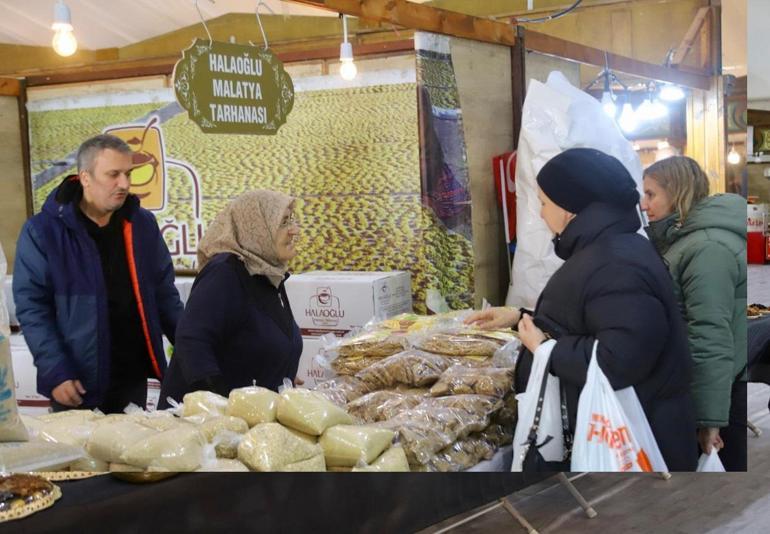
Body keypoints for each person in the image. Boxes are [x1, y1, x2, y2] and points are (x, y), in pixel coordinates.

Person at [467, 148, 697, 471]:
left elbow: (620, 358)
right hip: (628, 429)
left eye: (545, 203)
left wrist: (546, 349)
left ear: (570, 209)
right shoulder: (609, 249)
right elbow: (588, 318)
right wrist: (519, 317)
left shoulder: (616, 262)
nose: (542, 214)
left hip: (634, 441)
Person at [13, 134, 183, 413]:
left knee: (128, 455)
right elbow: (33, 308)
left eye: (128, 174)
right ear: (85, 177)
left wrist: (193, 350)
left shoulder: (141, 224)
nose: (125, 184)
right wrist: (56, 369)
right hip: (76, 383)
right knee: (80, 457)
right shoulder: (43, 232)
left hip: (132, 379)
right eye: (113, 174)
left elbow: (164, 295)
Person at [642, 156, 747, 471]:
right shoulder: (685, 241)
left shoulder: (707, 248)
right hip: (706, 384)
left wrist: (710, 419)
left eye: (651, 194)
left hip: (717, 391)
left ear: (677, 193)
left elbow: (710, 333)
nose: (644, 204)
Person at [159, 190, 303, 406]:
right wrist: (224, 405)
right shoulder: (225, 273)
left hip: (250, 426)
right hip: (205, 430)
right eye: (283, 222)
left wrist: (281, 373)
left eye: (292, 219)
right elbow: (192, 341)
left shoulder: (267, 273)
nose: (294, 230)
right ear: (256, 227)